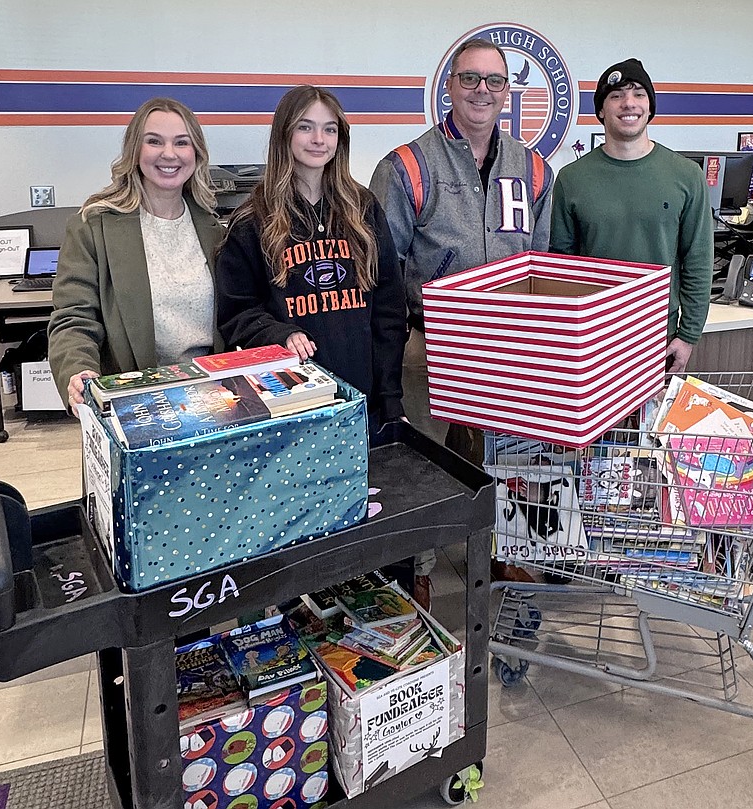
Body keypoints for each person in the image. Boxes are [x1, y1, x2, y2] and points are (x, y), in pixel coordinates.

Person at [370, 37, 553, 588]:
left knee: (512, 459)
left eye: (494, 81)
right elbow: (383, 274)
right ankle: (414, 571)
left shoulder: (534, 167)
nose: (482, 90)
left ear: (507, 92)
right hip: (429, 348)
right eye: (470, 79)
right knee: (420, 467)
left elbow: (542, 265)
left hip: (511, 346)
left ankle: (509, 550)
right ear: (448, 86)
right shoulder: (407, 166)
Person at [215, 84, 406, 431]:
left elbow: (389, 310)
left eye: (329, 129)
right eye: (305, 126)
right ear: (284, 134)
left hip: (365, 403)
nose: (319, 138)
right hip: (290, 407)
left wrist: (391, 399)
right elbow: (236, 313)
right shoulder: (252, 220)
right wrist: (279, 333)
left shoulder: (363, 210)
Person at [48, 97, 224, 410]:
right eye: (154, 141)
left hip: (212, 400)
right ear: (134, 150)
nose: (169, 153)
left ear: (195, 153)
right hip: (136, 404)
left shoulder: (213, 228)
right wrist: (77, 370)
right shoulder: (93, 227)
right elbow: (73, 319)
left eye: (181, 142)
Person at [549, 58, 712, 375]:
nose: (629, 103)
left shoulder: (686, 176)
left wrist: (688, 334)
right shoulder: (571, 180)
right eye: (616, 95)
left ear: (650, 107)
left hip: (658, 338)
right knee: (595, 426)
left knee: (649, 426)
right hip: (590, 338)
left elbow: (698, 259)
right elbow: (561, 268)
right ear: (600, 111)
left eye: (638, 93)